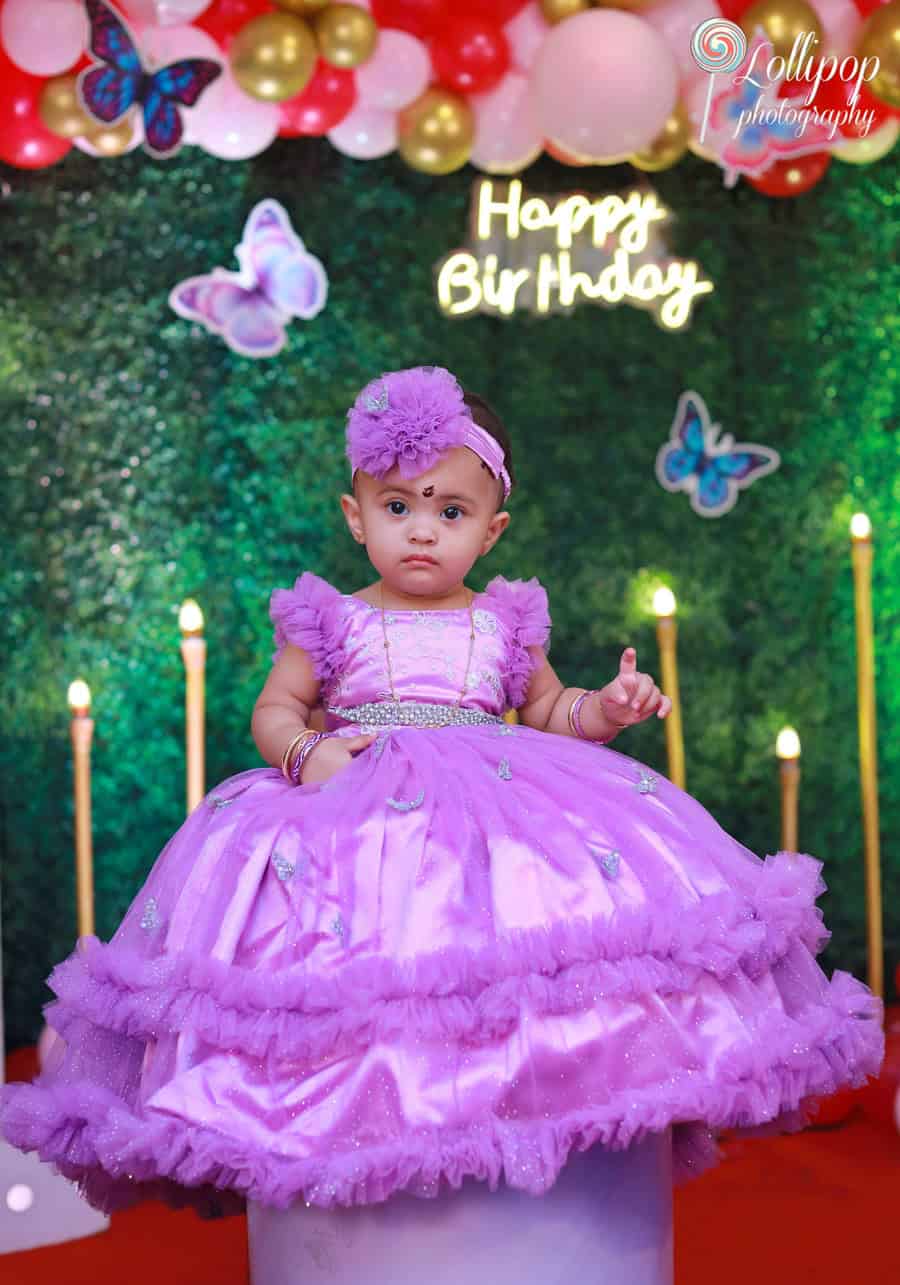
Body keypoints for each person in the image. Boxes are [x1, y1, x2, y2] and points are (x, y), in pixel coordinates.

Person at [0, 365, 883, 1221]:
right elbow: (276, 708)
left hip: (492, 806)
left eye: (450, 511)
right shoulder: (332, 618)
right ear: (356, 517)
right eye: (397, 507)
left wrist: (605, 708)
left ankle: (527, 1108)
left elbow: (544, 708)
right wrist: (307, 754)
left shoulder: (503, 619)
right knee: (352, 968)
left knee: (513, 961)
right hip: (354, 806)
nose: (422, 531)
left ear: (490, 531)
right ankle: (366, 1123)